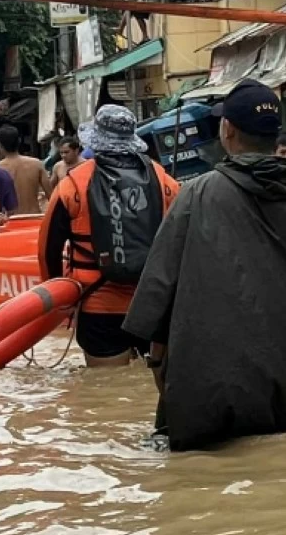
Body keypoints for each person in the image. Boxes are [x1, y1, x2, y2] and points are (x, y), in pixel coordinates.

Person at [123, 80, 286, 451]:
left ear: (227, 131)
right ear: (275, 137)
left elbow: (157, 296)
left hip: (216, 399)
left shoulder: (198, 194)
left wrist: (158, 366)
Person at [39, 105, 181, 367]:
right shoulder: (165, 181)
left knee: (105, 394)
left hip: (98, 307)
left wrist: (59, 300)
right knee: (151, 392)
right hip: (153, 305)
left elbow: (48, 249)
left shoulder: (72, 185)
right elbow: (181, 247)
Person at [0, 124, 51, 215]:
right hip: (34, 218)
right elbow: (51, 197)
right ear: (19, 141)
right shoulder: (36, 164)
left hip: (9, 222)